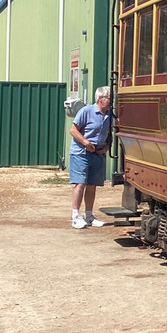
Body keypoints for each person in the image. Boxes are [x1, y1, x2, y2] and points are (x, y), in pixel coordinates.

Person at [69, 86, 113, 229]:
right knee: (80, 183)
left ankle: (89, 216)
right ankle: (75, 216)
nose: (111, 101)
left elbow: (109, 134)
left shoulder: (110, 115)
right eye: (109, 98)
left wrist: (107, 147)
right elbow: (73, 130)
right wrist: (85, 143)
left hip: (97, 154)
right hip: (81, 152)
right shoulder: (86, 111)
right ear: (101, 99)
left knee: (92, 185)